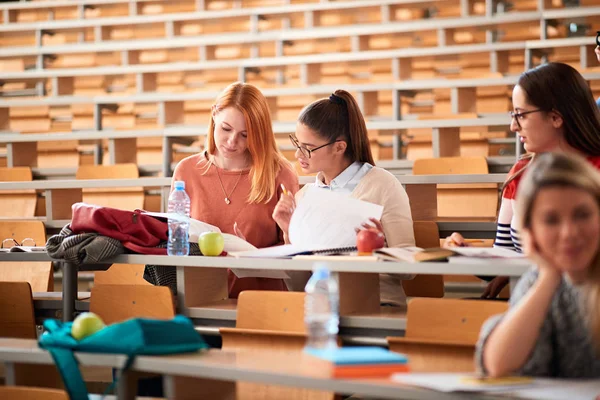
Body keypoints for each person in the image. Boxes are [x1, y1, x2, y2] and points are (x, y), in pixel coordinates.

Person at [444, 62, 600, 299]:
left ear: (556, 117)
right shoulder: (521, 171)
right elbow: (505, 254)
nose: (513, 126)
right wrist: (468, 254)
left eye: (521, 115)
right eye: (513, 115)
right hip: (535, 303)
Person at [155, 82, 299, 298]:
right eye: (226, 129)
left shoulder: (280, 173)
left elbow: (296, 253)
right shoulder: (186, 171)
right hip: (200, 297)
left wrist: (255, 251)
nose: (232, 142)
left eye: (245, 135)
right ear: (214, 114)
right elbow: (175, 242)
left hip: (262, 299)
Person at [273, 90, 415, 307]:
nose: (298, 154)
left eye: (307, 148)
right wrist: (288, 233)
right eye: (297, 143)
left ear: (339, 147)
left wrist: (379, 250)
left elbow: (409, 272)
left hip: (377, 304)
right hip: (320, 306)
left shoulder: (382, 185)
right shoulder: (303, 197)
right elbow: (299, 285)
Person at [476, 152, 600, 378]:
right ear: (531, 232)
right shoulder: (538, 280)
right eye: (551, 220)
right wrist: (549, 275)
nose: (569, 233)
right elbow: (499, 365)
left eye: (582, 215)